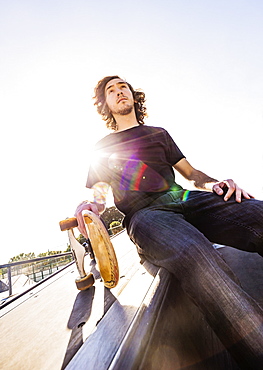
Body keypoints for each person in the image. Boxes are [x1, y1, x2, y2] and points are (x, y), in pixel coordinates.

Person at [75, 75, 263, 369]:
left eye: (122, 86)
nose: (118, 91)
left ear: (133, 95)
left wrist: (216, 183)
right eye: (110, 91)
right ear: (106, 106)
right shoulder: (102, 148)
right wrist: (91, 206)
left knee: (257, 213)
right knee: (197, 255)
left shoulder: (158, 134)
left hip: (185, 199)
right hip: (146, 215)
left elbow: (190, 173)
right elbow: (100, 193)